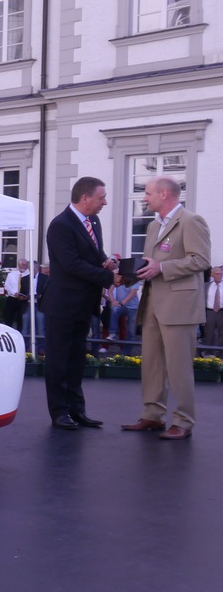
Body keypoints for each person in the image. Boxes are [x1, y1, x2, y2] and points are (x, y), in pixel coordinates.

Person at [121, 176, 211, 441]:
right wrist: (131, 270)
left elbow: (201, 259)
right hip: (151, 303)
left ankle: (183, 420)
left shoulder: (191, 221)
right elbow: (153, 261)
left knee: (179, 367)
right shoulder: (152, 226)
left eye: (147, 193)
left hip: (179, 305)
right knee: (152, 364)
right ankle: (153, 414)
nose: (144, 198)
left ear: (163, 194)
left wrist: (162, 267)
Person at [43, 176, 118, 430]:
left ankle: (77, 410)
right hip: (62, 305)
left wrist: (108, 262)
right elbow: (72, 264)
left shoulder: (93, 221)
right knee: (58, 360)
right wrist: (109, 277)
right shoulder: (60, 225)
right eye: (101, 198)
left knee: (76, 359)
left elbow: (94, 256)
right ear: (85, 198)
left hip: (84, 303)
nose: (104, 203)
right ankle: (59, 412)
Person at [108, 277, 141, 352]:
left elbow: (132, 293)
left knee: (131, 331)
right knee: (114, 309)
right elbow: (110, 291)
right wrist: (113, 301)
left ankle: (126, 353)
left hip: (133, 307)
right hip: (121, 306)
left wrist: (122, 303)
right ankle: (112, 333)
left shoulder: (134, 280)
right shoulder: (118, 278)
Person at [3, 259, 31, 332]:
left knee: (21, 320)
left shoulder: (30, 275)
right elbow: (7, 286)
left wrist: (25, 296)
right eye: (22, 265)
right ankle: (8, 333)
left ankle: (20, 335)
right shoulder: (11, 274)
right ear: (19, 265)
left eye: (25, 265)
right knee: (9, 318)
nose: (24, 266)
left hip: (23, 300)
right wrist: (14, 293)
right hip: (12, 298)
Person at [206, 267, 223, 349]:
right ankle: (208, 354)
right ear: (212, 275)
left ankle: (220, 355)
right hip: (210, 312)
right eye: (217, 274)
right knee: (209, 334)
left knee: (222, 334)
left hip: (221, 312)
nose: (219, 276)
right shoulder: (206, 286)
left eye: (221, 274)